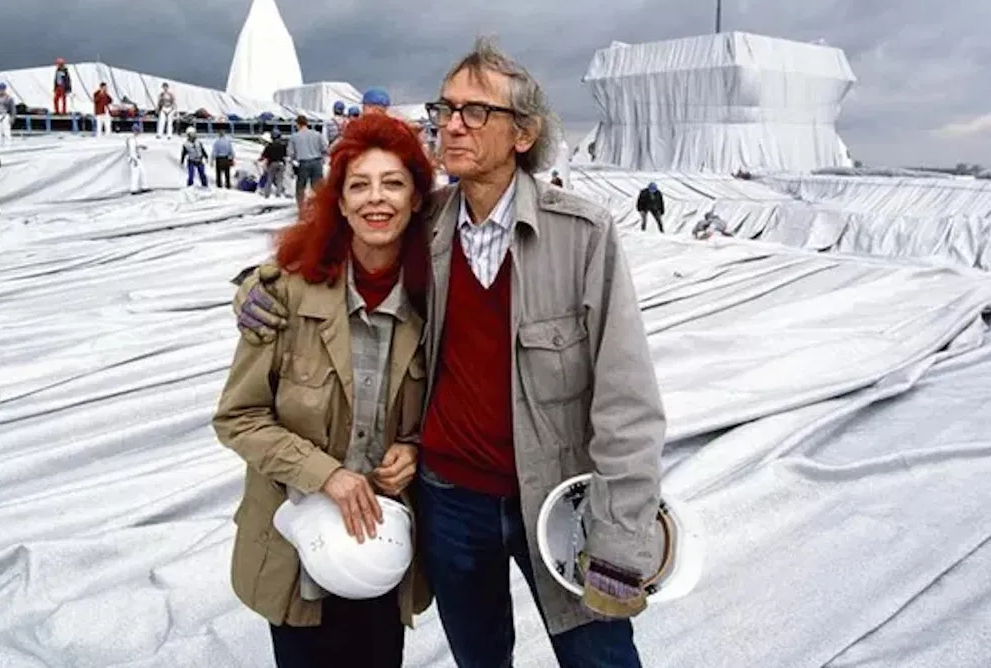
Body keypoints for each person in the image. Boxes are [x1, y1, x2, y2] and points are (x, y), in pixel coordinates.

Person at [232, 36, 667, 668]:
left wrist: (622, 539)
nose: (451, 124)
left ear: (524, 134)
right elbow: (335, 249)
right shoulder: (424, 225)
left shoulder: (581, 236)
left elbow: (629, 398)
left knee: (599, 658)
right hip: (451, 501)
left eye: (475, 111)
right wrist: (254, 284)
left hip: (556, 497)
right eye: (446, 109)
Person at [212, 112, 437, 668]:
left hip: (382, 547)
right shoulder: (285, 295)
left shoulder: (437, 305)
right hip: (296, 549)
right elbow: (238, 418)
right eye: (358, 185)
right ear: (338, 202)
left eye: (393, 183)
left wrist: (414, 449)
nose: (375, 199)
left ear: (416, 199)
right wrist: (326, 475)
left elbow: (453, 409)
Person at [287, 115, 327, 212]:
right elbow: (325, 148)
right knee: (318, 187)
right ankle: (321, 207)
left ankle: (301, 209)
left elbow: (290, 153)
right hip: (317, 162)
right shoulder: (317, 134)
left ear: (298, 124)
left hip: (303, 163)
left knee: (301, 187)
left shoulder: (294, 137)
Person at [259, 130, 288, 198]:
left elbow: (264, 156)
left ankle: (267, 194)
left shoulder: (269, 146)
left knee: (269, 179)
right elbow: (286, 155)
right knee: (280, 180)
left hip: (272, 164)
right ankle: (278, 194)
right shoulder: (283, 146)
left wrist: (259, 160)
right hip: (281, 164)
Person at [180, 126, 209, 191]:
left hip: (199, 160)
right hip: (191, 161)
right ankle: (189, 187)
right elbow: (183, 153)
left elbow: (202, 150)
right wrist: (182, 161)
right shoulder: (186, 144)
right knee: (191, 175)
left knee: (202, 174)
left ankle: (205, 186)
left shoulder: (198, 142)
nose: (193, 136)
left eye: (194, 134)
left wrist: (206, 157)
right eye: (191, 134)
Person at [124, 123, 146, 194]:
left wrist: (141, 146)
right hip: (134, 158)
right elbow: (131, 150)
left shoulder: (133, 138)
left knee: (142, 172)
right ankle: (133, 189)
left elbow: (135, 147)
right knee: (135, 174)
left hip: (137, 157)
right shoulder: (131, 139)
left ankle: (144, 186)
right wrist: (134, 159)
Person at [0, 83, 16, 147]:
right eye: (0, 89)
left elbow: (12, 109)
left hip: (5, 115)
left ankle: (8, 145)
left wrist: (12, 117)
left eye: (2, 89)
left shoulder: (9, 98)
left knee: (6, 131)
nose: (1, 90)